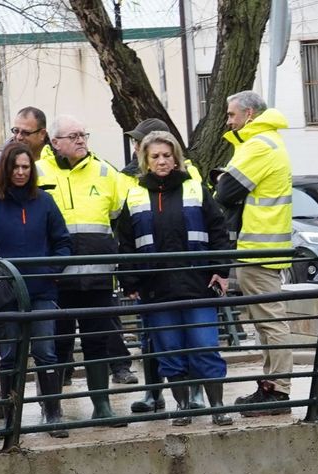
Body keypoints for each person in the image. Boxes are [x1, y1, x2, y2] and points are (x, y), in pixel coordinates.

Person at [114, 130, 234, 426]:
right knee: (170, 351)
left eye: (167, 155)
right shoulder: (135, 194)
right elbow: (126, 243)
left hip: (198, 284)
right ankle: (183, 407)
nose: (162, 161)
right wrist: (130, 283)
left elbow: (219, 232)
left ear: (176, 158)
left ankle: (217, 407)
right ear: (145, 160)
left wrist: (221, 271)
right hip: (156, 289)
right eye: (155, 156)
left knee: (205, 346)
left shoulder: (195, 189)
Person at [41, 113, 134, 421]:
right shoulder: (38, 172)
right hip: (55, 280)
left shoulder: (106, 172)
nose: (81, 140)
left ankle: (102, 405)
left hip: (97, 276)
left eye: (84, 134)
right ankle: (51, 409)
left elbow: (119, 214)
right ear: (55, 142)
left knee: (98, 340)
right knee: (53, 346)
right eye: (74, 136)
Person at [0, 139, 74, 437]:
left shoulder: (44, 202)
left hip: (42, 291)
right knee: (8, 355)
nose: (20, 172)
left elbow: (63, 242)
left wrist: (52, 271)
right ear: (5, 169)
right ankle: (10, 416)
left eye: (25, 167)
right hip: (6, 294)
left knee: (46, 352)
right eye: (15, 167)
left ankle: (52, 413)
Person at [213, 90, 295, 415]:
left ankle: (278, 392)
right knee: (265, 322)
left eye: (231, 115)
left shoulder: (259, 145)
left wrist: (222, 179)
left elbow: (225, 190)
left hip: (259, 249)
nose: (228, 121)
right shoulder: (266, 142)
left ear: (249, 115)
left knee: (271, 322)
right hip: (263, 247)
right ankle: (271, 388)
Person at [121, 117, 204, 414]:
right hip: (150, 275)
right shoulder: (126, 176)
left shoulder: (188, 175)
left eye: (137, 140)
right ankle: (153, 393)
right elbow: (124, 226)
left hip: (183, 273)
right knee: (154, 338)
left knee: (190, 336)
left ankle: (195, 393)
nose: (135, 146)